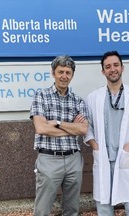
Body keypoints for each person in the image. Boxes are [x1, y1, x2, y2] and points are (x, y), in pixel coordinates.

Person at [84, 51, 129, 216]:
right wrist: (94, 144)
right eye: (108, 67)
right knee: (103, 205)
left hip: (126, 158)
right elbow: (87, 126)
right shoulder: (93, 98)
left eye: (116, 65)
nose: (112, 69)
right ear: (103, 71)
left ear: (122, 67)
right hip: (103, 158)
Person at [30, 55, 88, 216]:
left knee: (72, 209)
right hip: (49, 159)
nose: (64, 76)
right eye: (60, 71)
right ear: (53, 73)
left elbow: (83, 130)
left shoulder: (78, 101)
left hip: (73, 160)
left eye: (68, 72)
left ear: (72, 75)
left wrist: (57, 123)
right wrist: (71, 128)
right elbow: (41, 128)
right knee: (42, 210)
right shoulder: (41, 96)